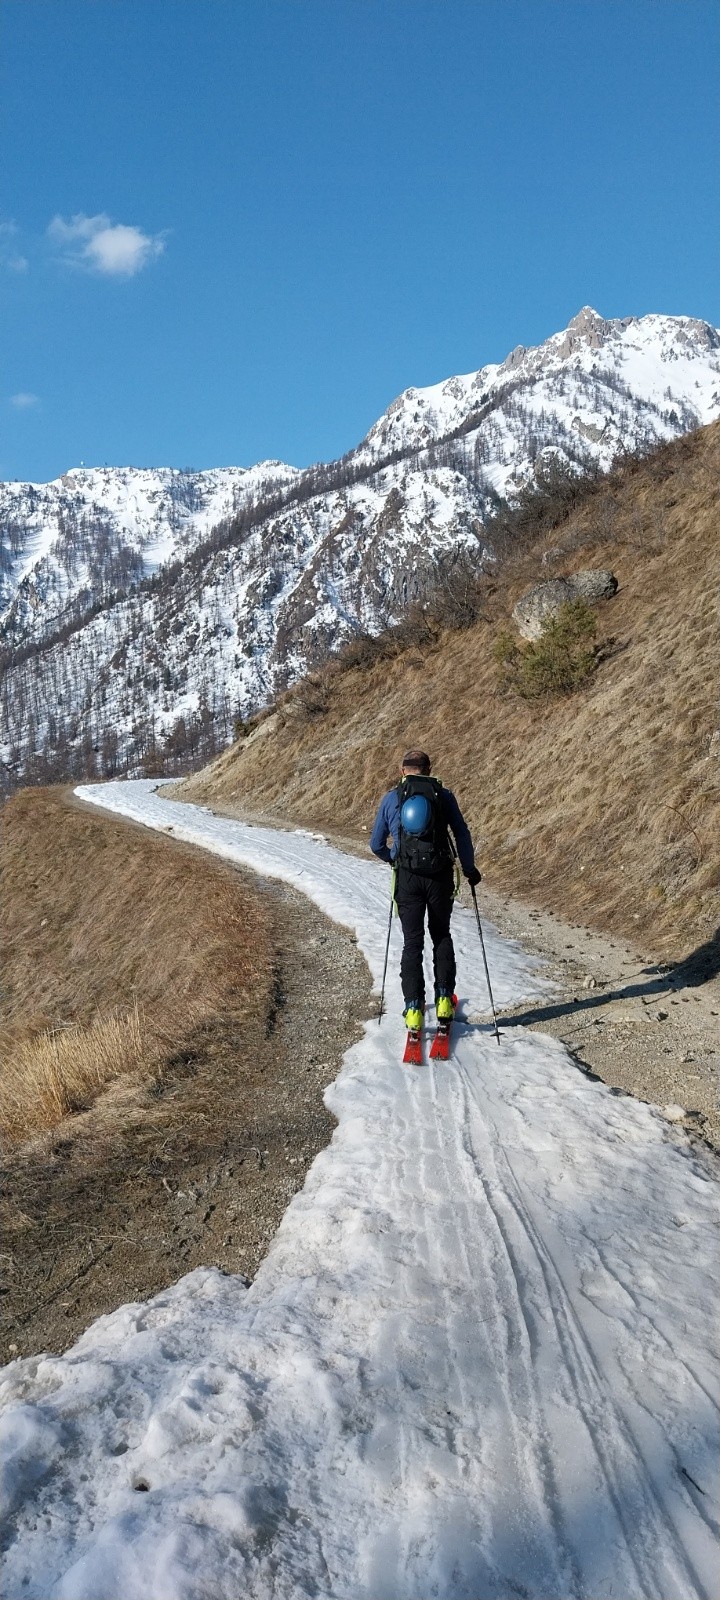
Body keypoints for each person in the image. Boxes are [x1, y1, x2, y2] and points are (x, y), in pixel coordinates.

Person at [370, 749, 481, 1035]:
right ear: (429, 770)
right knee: (441, 935)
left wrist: (394, 857)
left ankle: (414, 1009)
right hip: (439, 876)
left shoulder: (391, 798)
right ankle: (444, 1001)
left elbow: (376, 844)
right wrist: (469, 869)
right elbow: (462, 833)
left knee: (412, 942)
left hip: (407, 878)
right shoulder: (443, 796)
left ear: (401, 771)